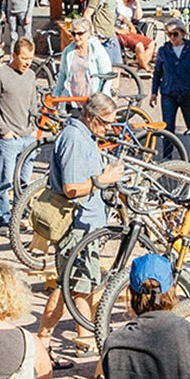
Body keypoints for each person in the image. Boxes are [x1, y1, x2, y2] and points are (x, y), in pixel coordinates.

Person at [37, 94, 122, 357]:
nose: (109, 129)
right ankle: (43, 338)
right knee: (68, 285)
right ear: (90, 116)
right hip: (76, 226)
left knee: (81, 284)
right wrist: (102, 179)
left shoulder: (84, 135)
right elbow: (72, 188)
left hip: (86, 224)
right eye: (106, 123)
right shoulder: (74, 139)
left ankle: (83, 338)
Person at [0, 38, 43, 235]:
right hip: (9, 139)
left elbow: (34, 105)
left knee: (24, 182)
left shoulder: (31, 76)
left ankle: (18, 216)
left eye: (31, 58)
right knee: (5, 181)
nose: (28, 62)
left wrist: (36, 128)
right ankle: (3, 220)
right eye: (24, 58)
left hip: (28, 137)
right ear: (14, 55)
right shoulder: (0, 75)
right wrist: (4, 131)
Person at [150, 18, 190, 144]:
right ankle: (167, 157)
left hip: (188, 93)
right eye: (169, 34)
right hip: (169, 93)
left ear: (182, 33)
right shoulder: (163, 51)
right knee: (167, 126)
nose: (172, 37)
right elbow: (157, 73)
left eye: (175, 34)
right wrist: (154, 93)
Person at [57, 19, 113, 100]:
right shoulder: (68, 52)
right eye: (73, 34)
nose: (76, 37)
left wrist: (103, 98)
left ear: (89, 33)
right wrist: (56, 94)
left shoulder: (97, 50)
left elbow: (107, 74)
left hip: (92, 100)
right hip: (72, 99)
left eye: (80, 33)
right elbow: (62, 74)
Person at [116, 0, 154, 71]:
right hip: (119, 31)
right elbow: (116, 17)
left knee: (151, 43)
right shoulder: (116, 1)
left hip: (130, 30)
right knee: (139, 45)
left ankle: (142, 65)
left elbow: (138, 17)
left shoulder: (131, 3)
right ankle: (145, 67)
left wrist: (137, 2)